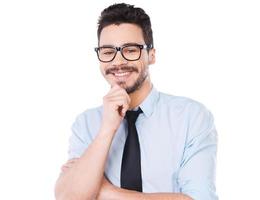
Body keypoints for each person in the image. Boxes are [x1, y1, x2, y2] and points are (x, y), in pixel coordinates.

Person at [55, 3, 218, 200]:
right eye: (107, 52)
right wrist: (107, 129)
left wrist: (107, 192)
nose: (118, 62)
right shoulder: (86, 124)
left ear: (151, 55)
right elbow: (69, 197)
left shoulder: (191, 117)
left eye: (130, 50)